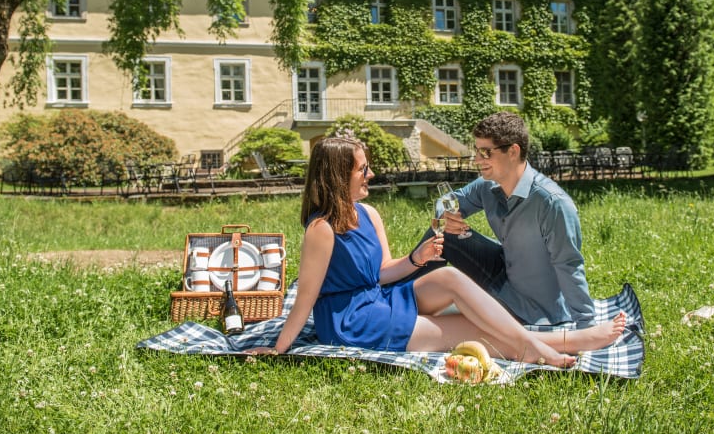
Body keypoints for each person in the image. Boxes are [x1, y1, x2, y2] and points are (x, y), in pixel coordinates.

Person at [250, 137, 625, 364]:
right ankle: (567, 342)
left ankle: (550, 342)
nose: (371, 175)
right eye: (363, 170)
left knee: (446, 274)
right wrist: (281, 347)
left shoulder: (369, 213)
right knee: (468, 331)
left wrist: (417, 259)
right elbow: (306, 297)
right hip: (352, 323)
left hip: (378, 299)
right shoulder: (321, 229)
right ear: (337, 175)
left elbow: (381, 272)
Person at [418, 112, 595, 327]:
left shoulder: (552, 203)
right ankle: (402, 304)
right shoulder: (487, 185)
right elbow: (450, 199)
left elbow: (569, 265)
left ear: (513, 151)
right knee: (442, 234)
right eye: (476, 151)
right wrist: (445, 215)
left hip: (532, 306)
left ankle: (408, 306)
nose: (476, 160)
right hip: (502, 272)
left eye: (485, 152)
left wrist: (586, 325)